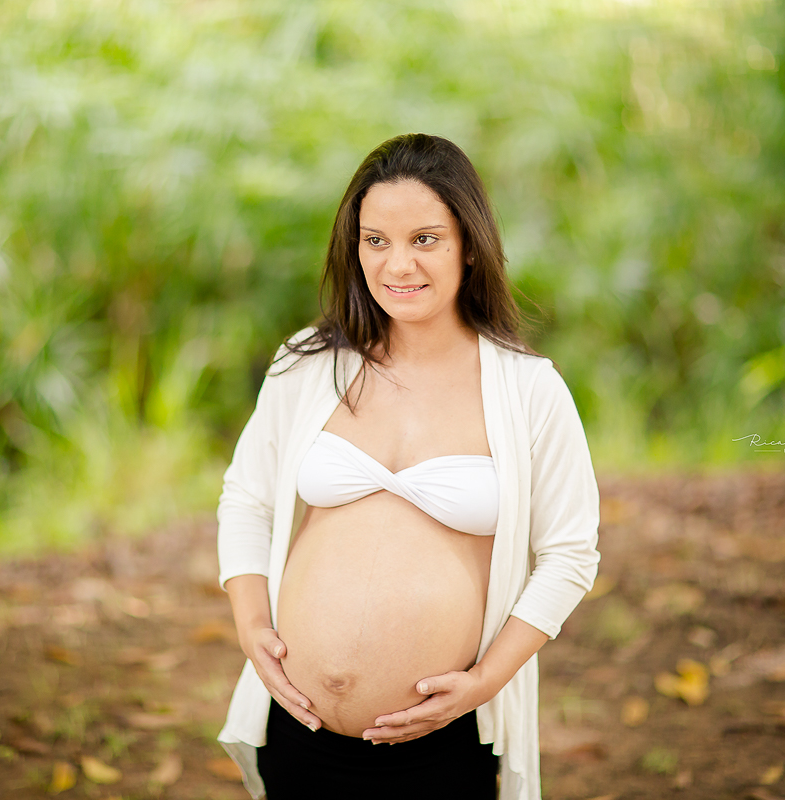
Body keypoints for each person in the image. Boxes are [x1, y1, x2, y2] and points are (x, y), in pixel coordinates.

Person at [215, 133, 601, 800]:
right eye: (376, 241)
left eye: (425, 239)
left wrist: (484, 683)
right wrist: (252, 628)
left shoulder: (528, 389)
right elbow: (247, 500)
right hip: (299, 732)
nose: (398, 265)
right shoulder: (308, 364)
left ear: (469, 245)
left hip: (442, 744)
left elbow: (569, 554)